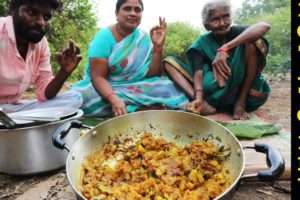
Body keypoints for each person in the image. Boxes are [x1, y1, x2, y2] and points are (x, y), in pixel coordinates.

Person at [71, 0, 189, 117]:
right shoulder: (103, 37)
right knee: (82, 96)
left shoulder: (143, 39)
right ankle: (138, 110)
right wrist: (114, 100)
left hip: (134, 86)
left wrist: (158, 48)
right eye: (127, 8)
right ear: (117, 13)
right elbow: (98, 77)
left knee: (167, 86)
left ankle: (132, 109)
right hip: (104, 87)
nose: (133, 13)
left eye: (137, 10)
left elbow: (153, 77)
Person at [163, 0, 271, 120]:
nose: (222, 23)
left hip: (246, 94)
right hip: (214, 95)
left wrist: (225, 49)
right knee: (169, 63)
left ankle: (239, 103)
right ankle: (203, 104)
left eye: (226, 17)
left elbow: (264, 26)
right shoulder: (201, 43)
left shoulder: (237, 32)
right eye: (215, 19)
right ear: (206, 25)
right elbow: (198, 73)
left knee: (254, 42)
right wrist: (199, 98)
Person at [0, 0, 83, 113]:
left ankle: (16, 123)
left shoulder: (41, 44)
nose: (41, 22)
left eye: (47, 17)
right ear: (14, 9)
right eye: (31, 12)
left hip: (12, 109)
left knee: (74, 98)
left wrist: (64, 72)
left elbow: (44, 94)